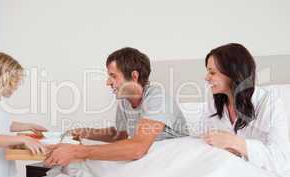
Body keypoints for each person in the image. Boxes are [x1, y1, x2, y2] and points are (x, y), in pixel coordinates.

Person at [45, 47, 189, 166]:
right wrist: (85, 132)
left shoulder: (157, 99)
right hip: (146, 160)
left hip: (168, 161)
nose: (108, 82)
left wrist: (78, 151)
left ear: (134, 76)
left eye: (113, 76)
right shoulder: (125, 101)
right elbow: (120, 136)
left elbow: (138, 147)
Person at [202, 43, 290, 173]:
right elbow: (207, 143)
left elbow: (281, 159)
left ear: (232, 74)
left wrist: (236, 143)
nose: (206, 78)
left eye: (212, 72)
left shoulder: (269, 104)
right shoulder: (214, 104)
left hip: (263, 175)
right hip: (227, 171)